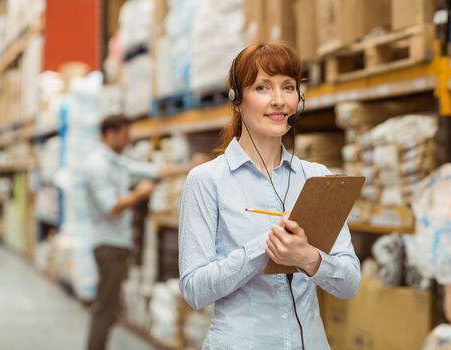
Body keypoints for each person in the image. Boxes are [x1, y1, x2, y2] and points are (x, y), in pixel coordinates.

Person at [178, 42, 361, 350]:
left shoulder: (317, 177)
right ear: (237, 100)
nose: (278, 101)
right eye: (263, 87)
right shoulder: (208, 181)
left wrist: (308, 258)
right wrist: (264, 247)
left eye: (288, 87)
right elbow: (194, 290)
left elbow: (350, 283)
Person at [83, 115, 202, 350]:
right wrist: (140, 194)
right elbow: (112, 207)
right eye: (125, 135)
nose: (128, 140)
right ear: (111, 134)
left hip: (116, 243)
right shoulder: (97, 165)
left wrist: (188, 168)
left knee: (110, 308)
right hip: (108, 245)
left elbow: (150, 169)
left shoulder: (117, 161)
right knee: (106, 310)